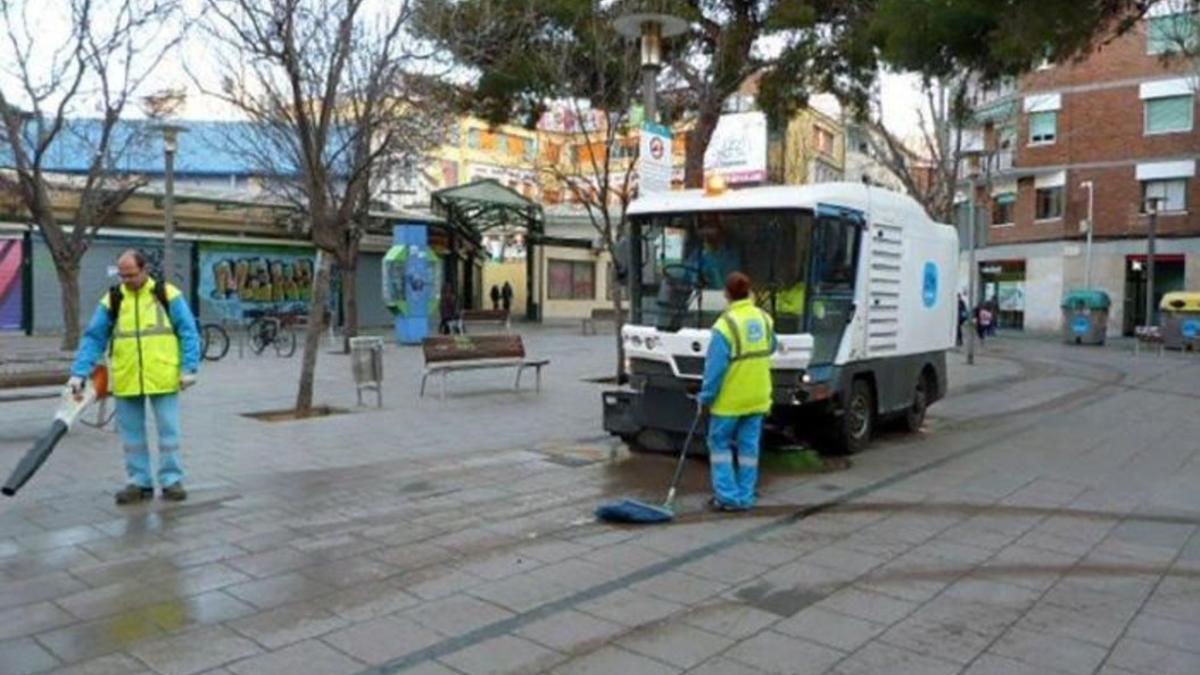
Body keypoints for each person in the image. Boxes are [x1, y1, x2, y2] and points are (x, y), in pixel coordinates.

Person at [69, 250, 200, 504]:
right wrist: (79, 372)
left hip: (162, 376)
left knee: (168, 433)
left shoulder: (167, 294)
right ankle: (139, 482)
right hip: (127, 377)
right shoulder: (114, 299)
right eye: (122, 275)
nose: (126, 280)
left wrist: (190, 368)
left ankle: (172, 481)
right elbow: (94, 337)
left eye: (131, 275)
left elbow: (188, 331)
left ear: (144, 269)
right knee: (132, 437)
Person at [699, 272, 776, 511]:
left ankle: (728, 497)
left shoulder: (725, 325)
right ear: (749, 292)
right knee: (749, 449)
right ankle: (746, 495)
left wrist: (705, 398)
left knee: (719, 445)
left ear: (726, 295)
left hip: (729, 400)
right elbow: (771, 347)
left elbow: (715, 369)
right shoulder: (764, 319)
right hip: (758, 396)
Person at [688, 214, 742, 290]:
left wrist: (711, 263)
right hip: (696, 299)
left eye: (710, 226)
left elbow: (729, 287)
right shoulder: (695, 256)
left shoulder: (731, 257)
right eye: (702, 226)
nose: (706, 231)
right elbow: (686, 279)